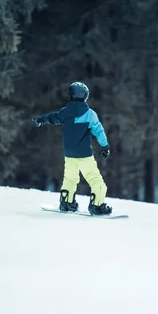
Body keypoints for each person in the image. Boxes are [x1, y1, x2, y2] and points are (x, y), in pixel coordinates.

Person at [33, 81, 112, 215]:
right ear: (85, 96)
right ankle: (97, 205)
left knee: (70, 178)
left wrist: (41, 119)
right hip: (84, 154)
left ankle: (67, 202)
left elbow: (53, 117)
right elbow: (99, 131)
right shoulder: (90, 114)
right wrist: (105, 146)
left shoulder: (65, 112)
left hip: (69, 154)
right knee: (95, 179)